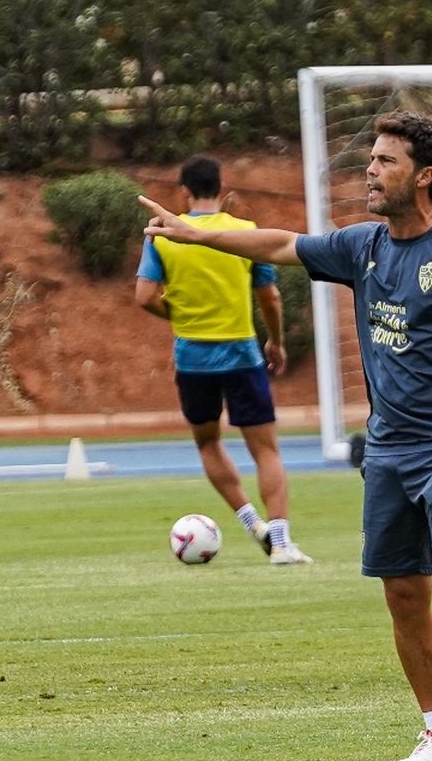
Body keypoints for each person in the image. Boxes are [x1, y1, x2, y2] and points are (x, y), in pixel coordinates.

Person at [138, 112, 432, 761]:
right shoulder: (364, 247)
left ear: (424, 175)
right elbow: (280, 247)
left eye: (385, 161)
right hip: (385, 453)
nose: (370, 172)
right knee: (402, 595)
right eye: (371, 160)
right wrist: (191, 235)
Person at [134, 155, 312, 565]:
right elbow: (270, 296)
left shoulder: (164, 235)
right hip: (241, 353)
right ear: (221, 187)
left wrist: (180, 317)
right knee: (266, 451)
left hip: (192, 358)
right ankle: (281, 542)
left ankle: (253, 525)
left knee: (209, 442)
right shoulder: (246, 233)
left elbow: (144, 296)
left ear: (184, 191)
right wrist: (277, 342)